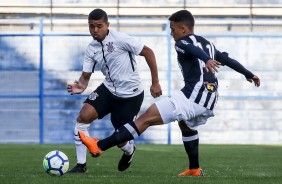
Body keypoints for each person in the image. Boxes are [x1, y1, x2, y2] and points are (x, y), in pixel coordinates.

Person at [77, 9, 260, 176]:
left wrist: (205, 60)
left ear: (182, 28)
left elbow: (189, 48)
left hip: (193, 95)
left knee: (145, 118)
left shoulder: (181, 43)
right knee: (186, 125)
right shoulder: (208, 44)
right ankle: (194, 168)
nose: (171, 33)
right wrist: (249, 74)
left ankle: (99, 146)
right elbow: (227, 60)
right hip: (210, 96)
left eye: (172, 29)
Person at [67, 8, 162, 173]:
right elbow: (85, 78)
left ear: (107, 25)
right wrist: (81, 85)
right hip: (108, 89)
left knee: (120, 140)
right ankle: (81, 165)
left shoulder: (120, 39)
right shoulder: (91, 49)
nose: (95, 30)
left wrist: (155, 82)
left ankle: (129, 150)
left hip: (131, 95)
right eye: (91, 26)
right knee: (82, 118)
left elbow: (148, 52)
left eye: (99, 26)